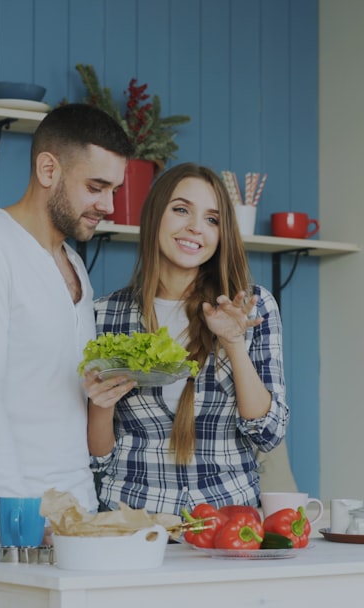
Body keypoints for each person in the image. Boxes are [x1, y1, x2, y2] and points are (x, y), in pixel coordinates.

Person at [0, 104, 134, 554]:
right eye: (96, 187)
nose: (108, 206)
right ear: (48, 169)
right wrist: (19, 524)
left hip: (72, 519)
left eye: (114, 190)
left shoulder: (74, 263)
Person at [86, 162, 290, 515]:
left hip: (228, 525)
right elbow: (98, 460)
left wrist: (234, 343)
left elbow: (268, 434)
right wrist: (101, 405)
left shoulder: (250, 306)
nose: (196, 227)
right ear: (154, 216)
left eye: (212, 219)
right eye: (181, 210)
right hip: (130, 522)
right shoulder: (103, 314)